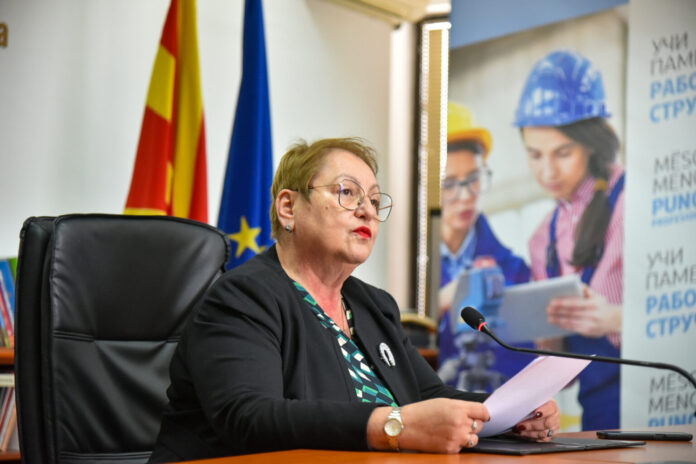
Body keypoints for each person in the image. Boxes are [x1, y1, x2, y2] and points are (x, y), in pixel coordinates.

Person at [148, 137, 559, 461]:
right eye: (348, 193)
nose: (367, 211)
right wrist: (395, 425)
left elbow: (428, 398)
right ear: (288, 207)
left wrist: (511, 412)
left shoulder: (373, 305)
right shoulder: (242, 297)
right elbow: (250, 418)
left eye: (374, 201)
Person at [514, 50, 625, 430]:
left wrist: (615, 319)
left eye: (562, 153)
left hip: (660, 402)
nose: (548, 170)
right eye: (535, 155)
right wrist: (548, 340)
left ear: (590, 142)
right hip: (599, 416)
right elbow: (567, 375)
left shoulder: (634, 201)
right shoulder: (542, 239)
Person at [438, 102, 531, 391]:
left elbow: (529, 368)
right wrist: (438, 305)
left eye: (474, 179)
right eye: (449, 184)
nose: (466, 195)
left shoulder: (515, 272)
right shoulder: (402, 272)